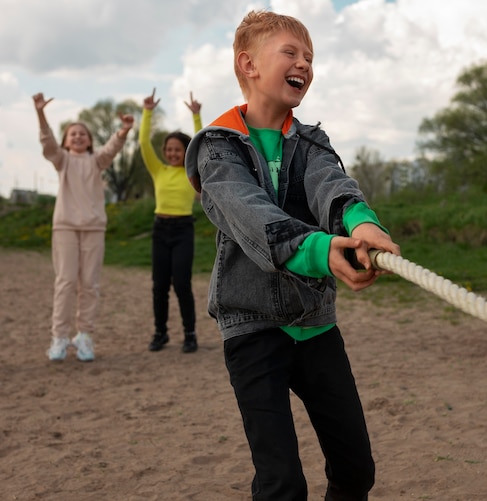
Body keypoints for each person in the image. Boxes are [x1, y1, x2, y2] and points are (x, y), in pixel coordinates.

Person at [185, 10, 401, 500]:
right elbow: (249, 213)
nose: (304, 62)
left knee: (356, 471)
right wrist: (319, 250)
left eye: (310, 57)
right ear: (249, 65)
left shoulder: (311, 142)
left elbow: (331, 185)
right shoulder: (217, 148)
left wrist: (361, 222)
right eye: (291, 52)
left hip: (317, 324)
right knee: (282, 483)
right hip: (252, 329)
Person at [33, 92, 134, 362]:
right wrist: (40, 112)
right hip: (65, 227)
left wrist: (124, 130)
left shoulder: (96, 161)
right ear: (66, 141)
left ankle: (85, 337)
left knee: (89, 285)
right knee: (65, 283)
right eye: (72, 134)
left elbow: (112, 148)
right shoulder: (62, 160)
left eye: (82, 134)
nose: (77, 136)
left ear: (89, 141)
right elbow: (48, 143)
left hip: (94, 228)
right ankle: (59, 338)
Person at [139, 88, 202, 353]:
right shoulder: (158, 170)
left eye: (178, 150)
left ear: (186, 151)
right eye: (169, 149)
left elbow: (201, 143)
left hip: (183, 230)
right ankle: (160, 332)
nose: (173, 153)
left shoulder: (191, 172)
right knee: (159, 286)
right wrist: (147, 112)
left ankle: (190, 334)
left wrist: (197, 116)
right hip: (160, 229)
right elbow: (143, 143)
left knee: (182, 284)